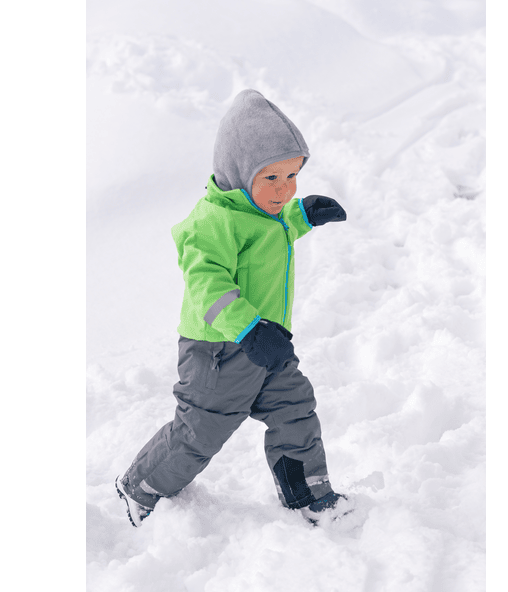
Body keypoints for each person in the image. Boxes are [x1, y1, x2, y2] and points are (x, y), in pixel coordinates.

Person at [115, 89, 347, 527]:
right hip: (219, 350)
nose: (285, 190)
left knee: (294, 408)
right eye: (272, 179)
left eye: (293, 176)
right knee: (200, 432)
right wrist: (248, 329)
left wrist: (302, 216)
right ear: (240, 174)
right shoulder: (211, 223)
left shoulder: (265, 211)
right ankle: (140, 486)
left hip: (266, 344)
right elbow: (208, 286)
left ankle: (307, 495)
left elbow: (265, 240)